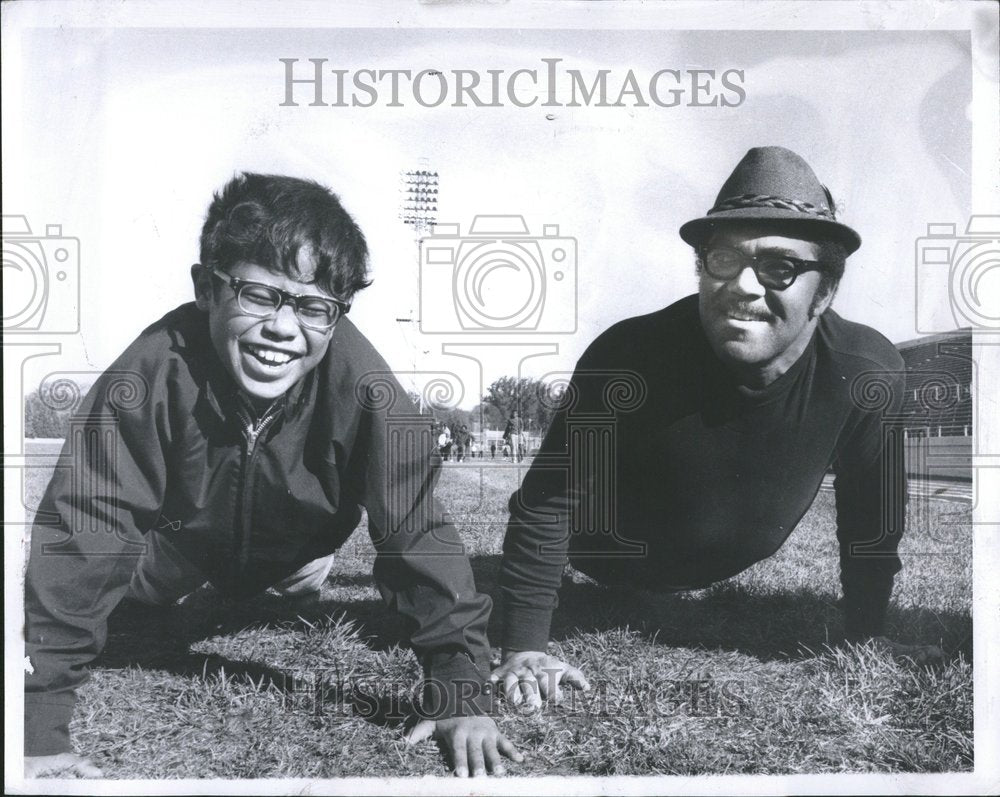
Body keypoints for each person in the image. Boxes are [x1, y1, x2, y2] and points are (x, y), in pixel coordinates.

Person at [24, 173, 520, 778]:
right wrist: (36, 723)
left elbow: (415, 530)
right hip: (180, 545)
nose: (284, 329)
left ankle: (295, 580)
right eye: (259, 295)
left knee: (297, 586)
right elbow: (89, 522)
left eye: (314, 307)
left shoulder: (366, 386)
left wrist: (458, 690)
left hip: (301, 547)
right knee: (137, 593)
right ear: (208, 287)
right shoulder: (153, 367)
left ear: (336, 317)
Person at [491, 146, 941, 706]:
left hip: (707, 564)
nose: (744, 286)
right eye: (724, 260)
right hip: (601, 552)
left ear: (824, 291)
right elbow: (547, 503)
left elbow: (870, 513)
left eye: (780, 267)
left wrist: (868, 631)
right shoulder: (630, 353)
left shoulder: (864, 371)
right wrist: (525, 644)